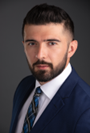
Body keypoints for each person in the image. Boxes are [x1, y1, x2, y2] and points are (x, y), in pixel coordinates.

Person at [9, 3, 90, 133]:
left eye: (52, 43)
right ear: (24, 46)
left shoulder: (86, 111)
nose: (40, 55)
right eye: (32, 43)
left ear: (71, 49)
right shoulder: (24, 87)